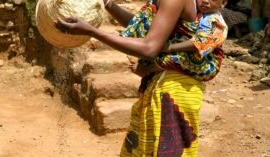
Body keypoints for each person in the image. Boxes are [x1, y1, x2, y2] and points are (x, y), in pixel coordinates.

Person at [54, 0, 221, 156]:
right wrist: (109, 5)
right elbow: (152, 29)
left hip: (172, 92)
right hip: (169, 88)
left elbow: (149, 47)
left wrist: (92, 32)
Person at [127, 0, 228, 82]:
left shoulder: (217, 22)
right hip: (194, 54)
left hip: (207, 65)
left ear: (223, 3)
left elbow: (199, 43)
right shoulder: (199, 13)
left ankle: (150, 68)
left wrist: (170, 47)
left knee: (179, 56)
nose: (205, 1)